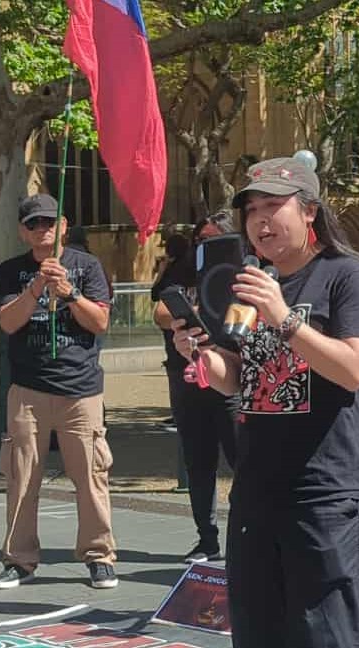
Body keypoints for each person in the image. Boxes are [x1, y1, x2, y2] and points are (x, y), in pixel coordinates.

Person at [171, 157, 359, 647]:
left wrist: (284, 317)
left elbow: (355, 369)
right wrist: (203, 356)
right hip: (255, 489)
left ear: (310, 211)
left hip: (325, 494)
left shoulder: (347, 276)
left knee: (326, 634)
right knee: (258, 631)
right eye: (252, 211)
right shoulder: (250, 286)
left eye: (274, 206)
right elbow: (239, 376)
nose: (261, 221)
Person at [0, 194, 118, 590]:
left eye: (49, 222)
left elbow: (99, 322)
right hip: (28, 390)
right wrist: (35, 290)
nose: (42, 229)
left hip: (80, 390)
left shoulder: (87, 266)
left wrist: (69, 293)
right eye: (33, 224)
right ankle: (19, 560)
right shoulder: (10, 271)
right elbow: (7, 323)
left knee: (91, 478)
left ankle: (99, 556)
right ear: (22, 231)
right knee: (22, 477)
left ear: (63, 225)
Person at [152, 211, 239, 563]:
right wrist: (188, 312)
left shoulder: (239, 272)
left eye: (215, 237)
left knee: (241, 460)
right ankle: (206, 538)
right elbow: (160, 309)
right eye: (201, 238)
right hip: (185, 376)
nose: (206, 244)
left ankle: (244, 534)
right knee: (197, 460)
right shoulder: (183, 271)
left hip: (229, 375)